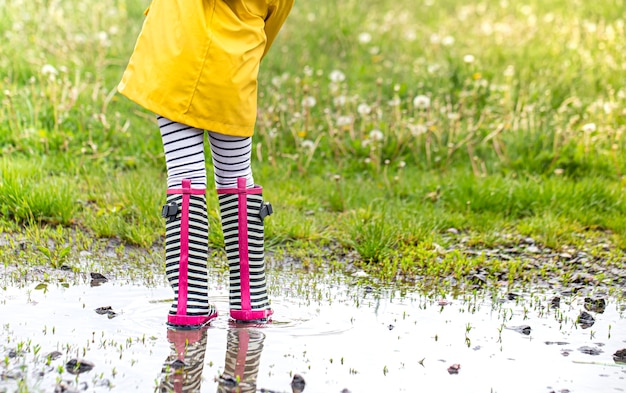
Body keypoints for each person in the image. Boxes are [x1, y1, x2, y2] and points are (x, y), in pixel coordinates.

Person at [117, 0, 294, 327]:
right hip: (234, 61)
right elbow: (276, 15)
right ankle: (250, 300)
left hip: (176, 50)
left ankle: (189, 300)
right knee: (237, 174)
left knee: (184, 175)